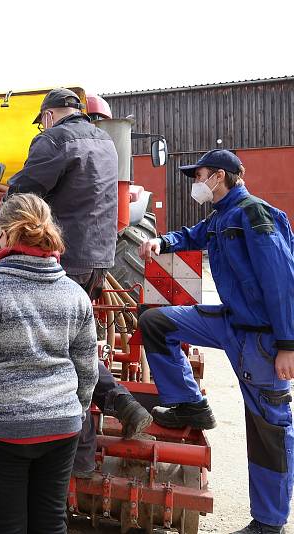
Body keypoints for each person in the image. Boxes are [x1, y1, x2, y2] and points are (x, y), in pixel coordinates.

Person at [138, 150, 294, 534]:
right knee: (156, 322)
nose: (195, 183)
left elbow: (282, 282)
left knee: (267, 430)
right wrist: (163, 241)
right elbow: (192, 235)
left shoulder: (254, 216)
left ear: (219, 177)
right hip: (230, 323)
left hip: (261, 338)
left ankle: (269, 523)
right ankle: (191, 404)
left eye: (199, 175)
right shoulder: (222, 216)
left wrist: (288, 344)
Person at [7, 87, 153, 477]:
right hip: (98, 256)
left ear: (50, 116)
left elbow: (24, 191)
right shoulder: (105, 141)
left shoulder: (53, 139)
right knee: (75, 342)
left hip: (62, 255)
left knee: (59, 349)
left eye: (43, 120)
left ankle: (84, 448)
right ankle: (115, 408)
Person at [0, 193, 98, 534]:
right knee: (51, 522)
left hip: (0, 432)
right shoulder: (75, 294)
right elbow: (88, 370)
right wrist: (72, 410)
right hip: (62, 426)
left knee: (5, 526)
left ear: (3, 234)